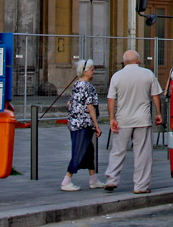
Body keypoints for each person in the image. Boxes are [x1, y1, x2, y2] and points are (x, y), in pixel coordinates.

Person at [105, 50, 164, 194]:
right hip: (142, 119)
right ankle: (141, 186)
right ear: (138, 61)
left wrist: (112, 117)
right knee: (143, 153)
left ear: (124, 62)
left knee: (117, 150)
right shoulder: (148, 74)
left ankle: (111, 179)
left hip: (123, 118)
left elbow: (111, 99)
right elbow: (155, 96)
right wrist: (158, 113)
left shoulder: (117, 76)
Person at [62, 59, 104, 192]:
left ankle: (93, 179)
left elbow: (70, 103)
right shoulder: (87, 86)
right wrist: (96, 125)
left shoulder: (77, 85)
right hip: (83, 123)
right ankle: (66, 180)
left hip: (75, 122)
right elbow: (90, 106)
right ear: (85, 72)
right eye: (92, 70)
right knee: (79, 151)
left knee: (88, 150)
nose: (94, 72)